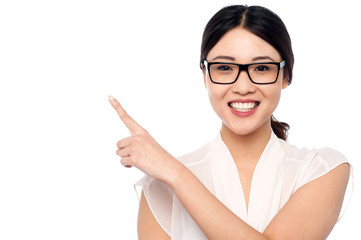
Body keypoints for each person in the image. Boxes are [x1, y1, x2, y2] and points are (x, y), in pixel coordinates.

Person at [109, 5, 351, 240]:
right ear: (205, 75)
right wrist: (168, 176)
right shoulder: (159, 187)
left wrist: (176, 173)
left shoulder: (322, 168)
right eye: (224, 67)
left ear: (285, 76)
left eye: (261, 68)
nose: (243, 87)